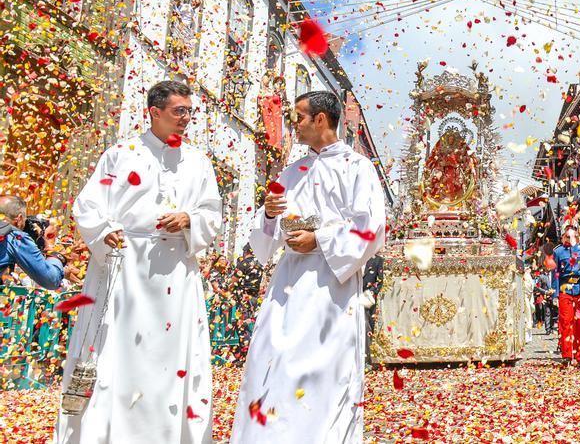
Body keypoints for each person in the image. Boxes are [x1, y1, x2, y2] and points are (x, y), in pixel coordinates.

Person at [55, 80, 222, 444]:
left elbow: (213, 213)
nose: (186, 119)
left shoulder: (198, 161)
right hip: (124, 267)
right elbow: (88, 204)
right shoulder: (121, 153)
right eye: (180, 111)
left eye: (190, 111)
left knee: (170, 360)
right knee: (118, 351)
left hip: (175, 273)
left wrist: (190, 219)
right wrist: (103, 232)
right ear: (155, 112)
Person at [232, 91, 386, 443]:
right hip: (287, 284)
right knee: (273, 363)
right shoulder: (292, 170)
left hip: (330, 286)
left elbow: (372, 227)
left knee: (323, 371)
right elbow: (264, 239)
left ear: (321, 120)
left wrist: (319, 240)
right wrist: (270, 213)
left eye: (299, 117)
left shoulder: (358, 168)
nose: (293, 125)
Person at [552, 224, 580, 366]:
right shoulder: (558, 252)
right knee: (566, 323)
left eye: (572, 233)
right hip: (565, 290)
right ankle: (567, 355)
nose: (569, 236)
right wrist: (555, 294)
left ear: (577, 234)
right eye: (567, 234)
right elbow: (556, 274)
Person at [0, 195, 65, 289]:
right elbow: (50, 280)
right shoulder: (15, 237)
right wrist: (51, 248)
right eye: (25, 221)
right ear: (19, 218)